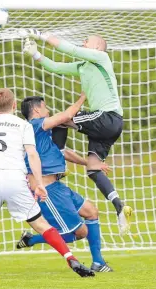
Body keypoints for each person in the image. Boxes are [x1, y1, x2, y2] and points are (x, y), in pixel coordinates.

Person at [0, 88, 94, 279]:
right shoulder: (24, 126)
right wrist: (38, 183)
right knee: (40, 224)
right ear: (14, 105)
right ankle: (71, 259)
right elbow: (32, 154)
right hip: (16, 179)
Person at [21, 29, 132, 234]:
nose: (83, 41)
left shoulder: (101, 58)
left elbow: (70, 49)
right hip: (107, 128)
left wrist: (42, 36)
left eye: (87, 40)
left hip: (107, 117)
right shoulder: (83, 66)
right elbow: (55, 67)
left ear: (97, 47)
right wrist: (36, 54)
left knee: (64, 119)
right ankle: (119, 206)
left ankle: (58, 156)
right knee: (93, 168)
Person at [16, 95, 113, 272]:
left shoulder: (43, 134)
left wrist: (90, 163)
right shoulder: (33, 126)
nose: (48, 111)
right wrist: (84, 96)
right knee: (79, 232)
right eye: (45, 107)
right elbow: (67, 115)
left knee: (92, 212)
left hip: (58, 186)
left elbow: (64, 152)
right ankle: (32, 240)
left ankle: (98, 262)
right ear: (36, 110)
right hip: (48, 191)